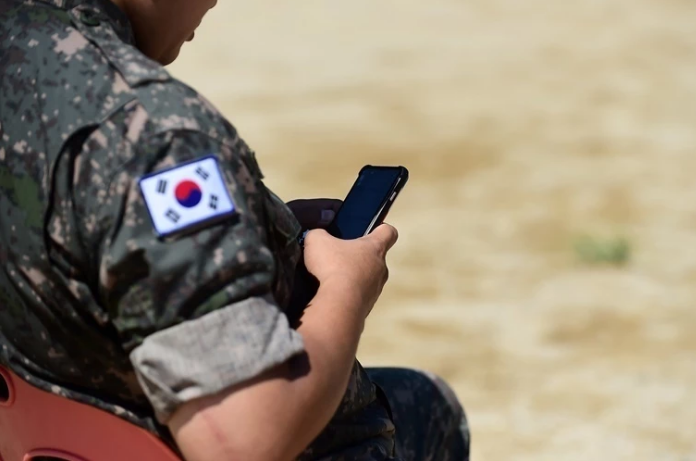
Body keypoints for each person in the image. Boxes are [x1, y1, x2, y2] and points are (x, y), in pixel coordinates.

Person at [0, 0, 470, 459]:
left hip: (44, 431)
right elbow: (242, 441)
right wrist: (347, 286)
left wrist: (256, 232)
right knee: (430, 409)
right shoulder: (155, 137)